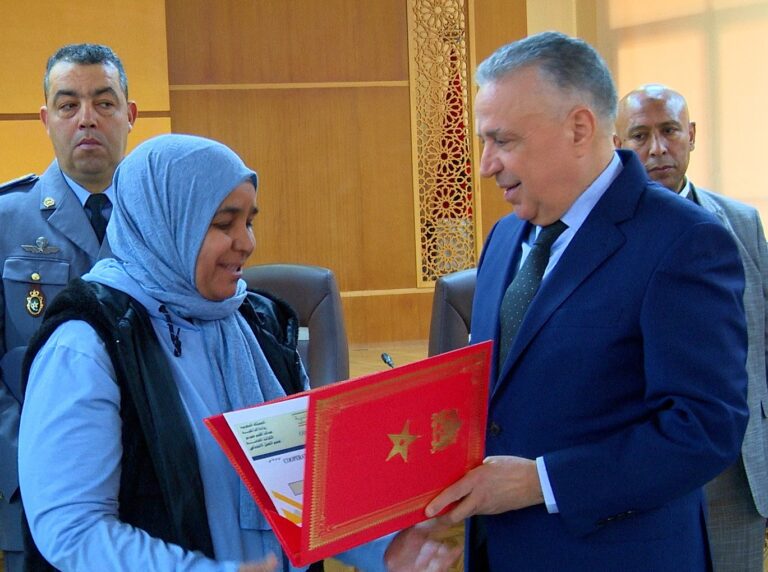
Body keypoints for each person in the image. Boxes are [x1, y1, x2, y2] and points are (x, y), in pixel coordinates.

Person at [16, 134, 459, 572]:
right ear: (164, 224)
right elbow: (72, 529)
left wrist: (383, 547)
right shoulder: (88, 343)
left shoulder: (258, 323)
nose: (246, 242)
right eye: (224, 224)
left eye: (249, 222)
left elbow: (300, 480)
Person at [424, 31, 750, 570]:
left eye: (503, 140)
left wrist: (541, 482)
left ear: (579, 128)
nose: (485, 165)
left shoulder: (684, 241)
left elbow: (705, 429)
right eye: (484, 141)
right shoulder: (504, 237)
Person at [615, 83, 768, 571]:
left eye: (670, 131)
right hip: (644, 476)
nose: (658, 149)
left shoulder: (741, 222)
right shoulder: (602, 234)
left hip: (738, 474)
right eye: (640, 135)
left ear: (693, 135)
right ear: (617, 144)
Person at [0, 43, 137, 571]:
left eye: (104, 102)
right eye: (68, 105)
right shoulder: (6, 221)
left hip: (152, 488)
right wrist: (36, 463)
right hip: (38, 495)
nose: (87, 119)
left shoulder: (167, 223)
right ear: (46, 119)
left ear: (130, 114)